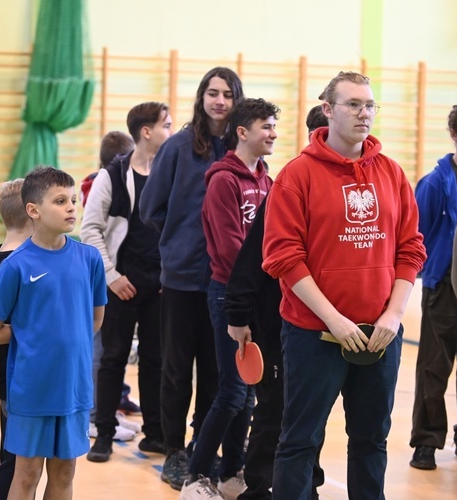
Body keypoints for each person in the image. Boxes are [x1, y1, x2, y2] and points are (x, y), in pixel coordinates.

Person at [262, 71, 426, 499]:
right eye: (353, 104)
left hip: (379, 337)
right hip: (314, 336)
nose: (363, 113)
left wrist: (393, 314)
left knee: (371, 442)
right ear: (329, 110)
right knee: (300, 442)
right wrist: (334, 320)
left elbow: (410, 250)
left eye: (369, 105)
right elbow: (283, 258)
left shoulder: (391, 173)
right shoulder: (296, 176)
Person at [139, 66, 244, 489]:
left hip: (225, 284)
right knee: (177, 371)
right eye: (212, 93)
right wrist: (181, 239)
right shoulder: (179, 146)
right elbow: (150, 208)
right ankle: (175, 451)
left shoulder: (241, 150)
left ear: (237, 101)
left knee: (217, 374)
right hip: (182, 280)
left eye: (227, 95)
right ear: (201, 98)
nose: (219, 101)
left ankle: (204, 448)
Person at [220, 105, 328, 500]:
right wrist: (238, 313)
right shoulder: (292, 183)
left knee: (309, 413)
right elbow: (251, 258)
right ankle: (259, 486)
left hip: (320, 324)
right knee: (272, 410)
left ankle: (305, 484)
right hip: (273, 321)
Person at [0, 167, 107, 500]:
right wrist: (35, 333)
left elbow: (93, 320)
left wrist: (60, 335)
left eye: (74, 200)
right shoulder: (15, 266)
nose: (71, 208)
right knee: (27, 474)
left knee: (65, 473)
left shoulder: (90, 259)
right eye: (60, 201)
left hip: (74, 389)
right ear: (33, 211)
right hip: (32, 390)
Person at [180, 98, 278, 500]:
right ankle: (195, 475)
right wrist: (251, 288)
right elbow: (229, 248)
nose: (273, 134)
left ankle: (231, 473)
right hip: (229, 294)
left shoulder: (267, 179)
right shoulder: (223, 180)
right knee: (232, 392)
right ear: (242, 132)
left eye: (274, 127)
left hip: (256, 295)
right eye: (266, 127)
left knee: (250, 392)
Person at [81, 101, 173, 462]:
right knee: (114, 357)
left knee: (156, 359)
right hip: (121, 279)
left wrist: (171, 274)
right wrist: (112, 276)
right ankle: (103, 433)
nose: (172, 130)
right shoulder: (113, 175)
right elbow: (89, 230)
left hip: (161, 281)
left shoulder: (171, 172)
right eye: (166, 124)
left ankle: (156, 433)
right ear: (146, 132)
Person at [410, 104, 457, 469]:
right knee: (434, 367)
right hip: (444, 286)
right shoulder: (435, 183)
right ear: (455, 133)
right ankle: (427, 442)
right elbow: (418, 236)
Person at [82, 130, 141, 440]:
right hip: (103, 279)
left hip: (114, 276)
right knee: (102, 351)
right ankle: (94, 414)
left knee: (113, 350)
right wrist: (111, 273)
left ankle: (110, 408)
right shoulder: (100, 183)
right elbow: (92, 230)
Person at [0, 178, 33, 500]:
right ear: (33, 214)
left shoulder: (2, 253)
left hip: (17, 375)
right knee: (15, 462)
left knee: (17, 459)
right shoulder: (15, 262)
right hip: (16, 376)